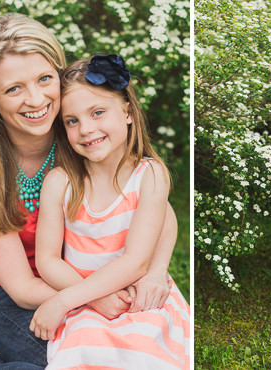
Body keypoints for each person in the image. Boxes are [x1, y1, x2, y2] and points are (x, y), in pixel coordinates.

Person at [0, 13, 178, 368]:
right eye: (13, 89)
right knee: (66, 360)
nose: (36, 99)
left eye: (43, 79)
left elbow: (155, 206)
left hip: (87, 280)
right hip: (12, 294)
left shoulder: (80, 132)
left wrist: (156, 269)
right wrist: (95, 297)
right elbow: (23, 288)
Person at [29, 55, 190, 369]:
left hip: (139, 301)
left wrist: (61, 301)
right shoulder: (60, 182)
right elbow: (47, 259)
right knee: (85, 355)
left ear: (127, 113)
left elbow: (137, 261)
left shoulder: (150, 175)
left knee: (148, 356)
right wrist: (83, 298)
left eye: (98, 112)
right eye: (72, 121)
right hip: (84, 301)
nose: (86, 129)